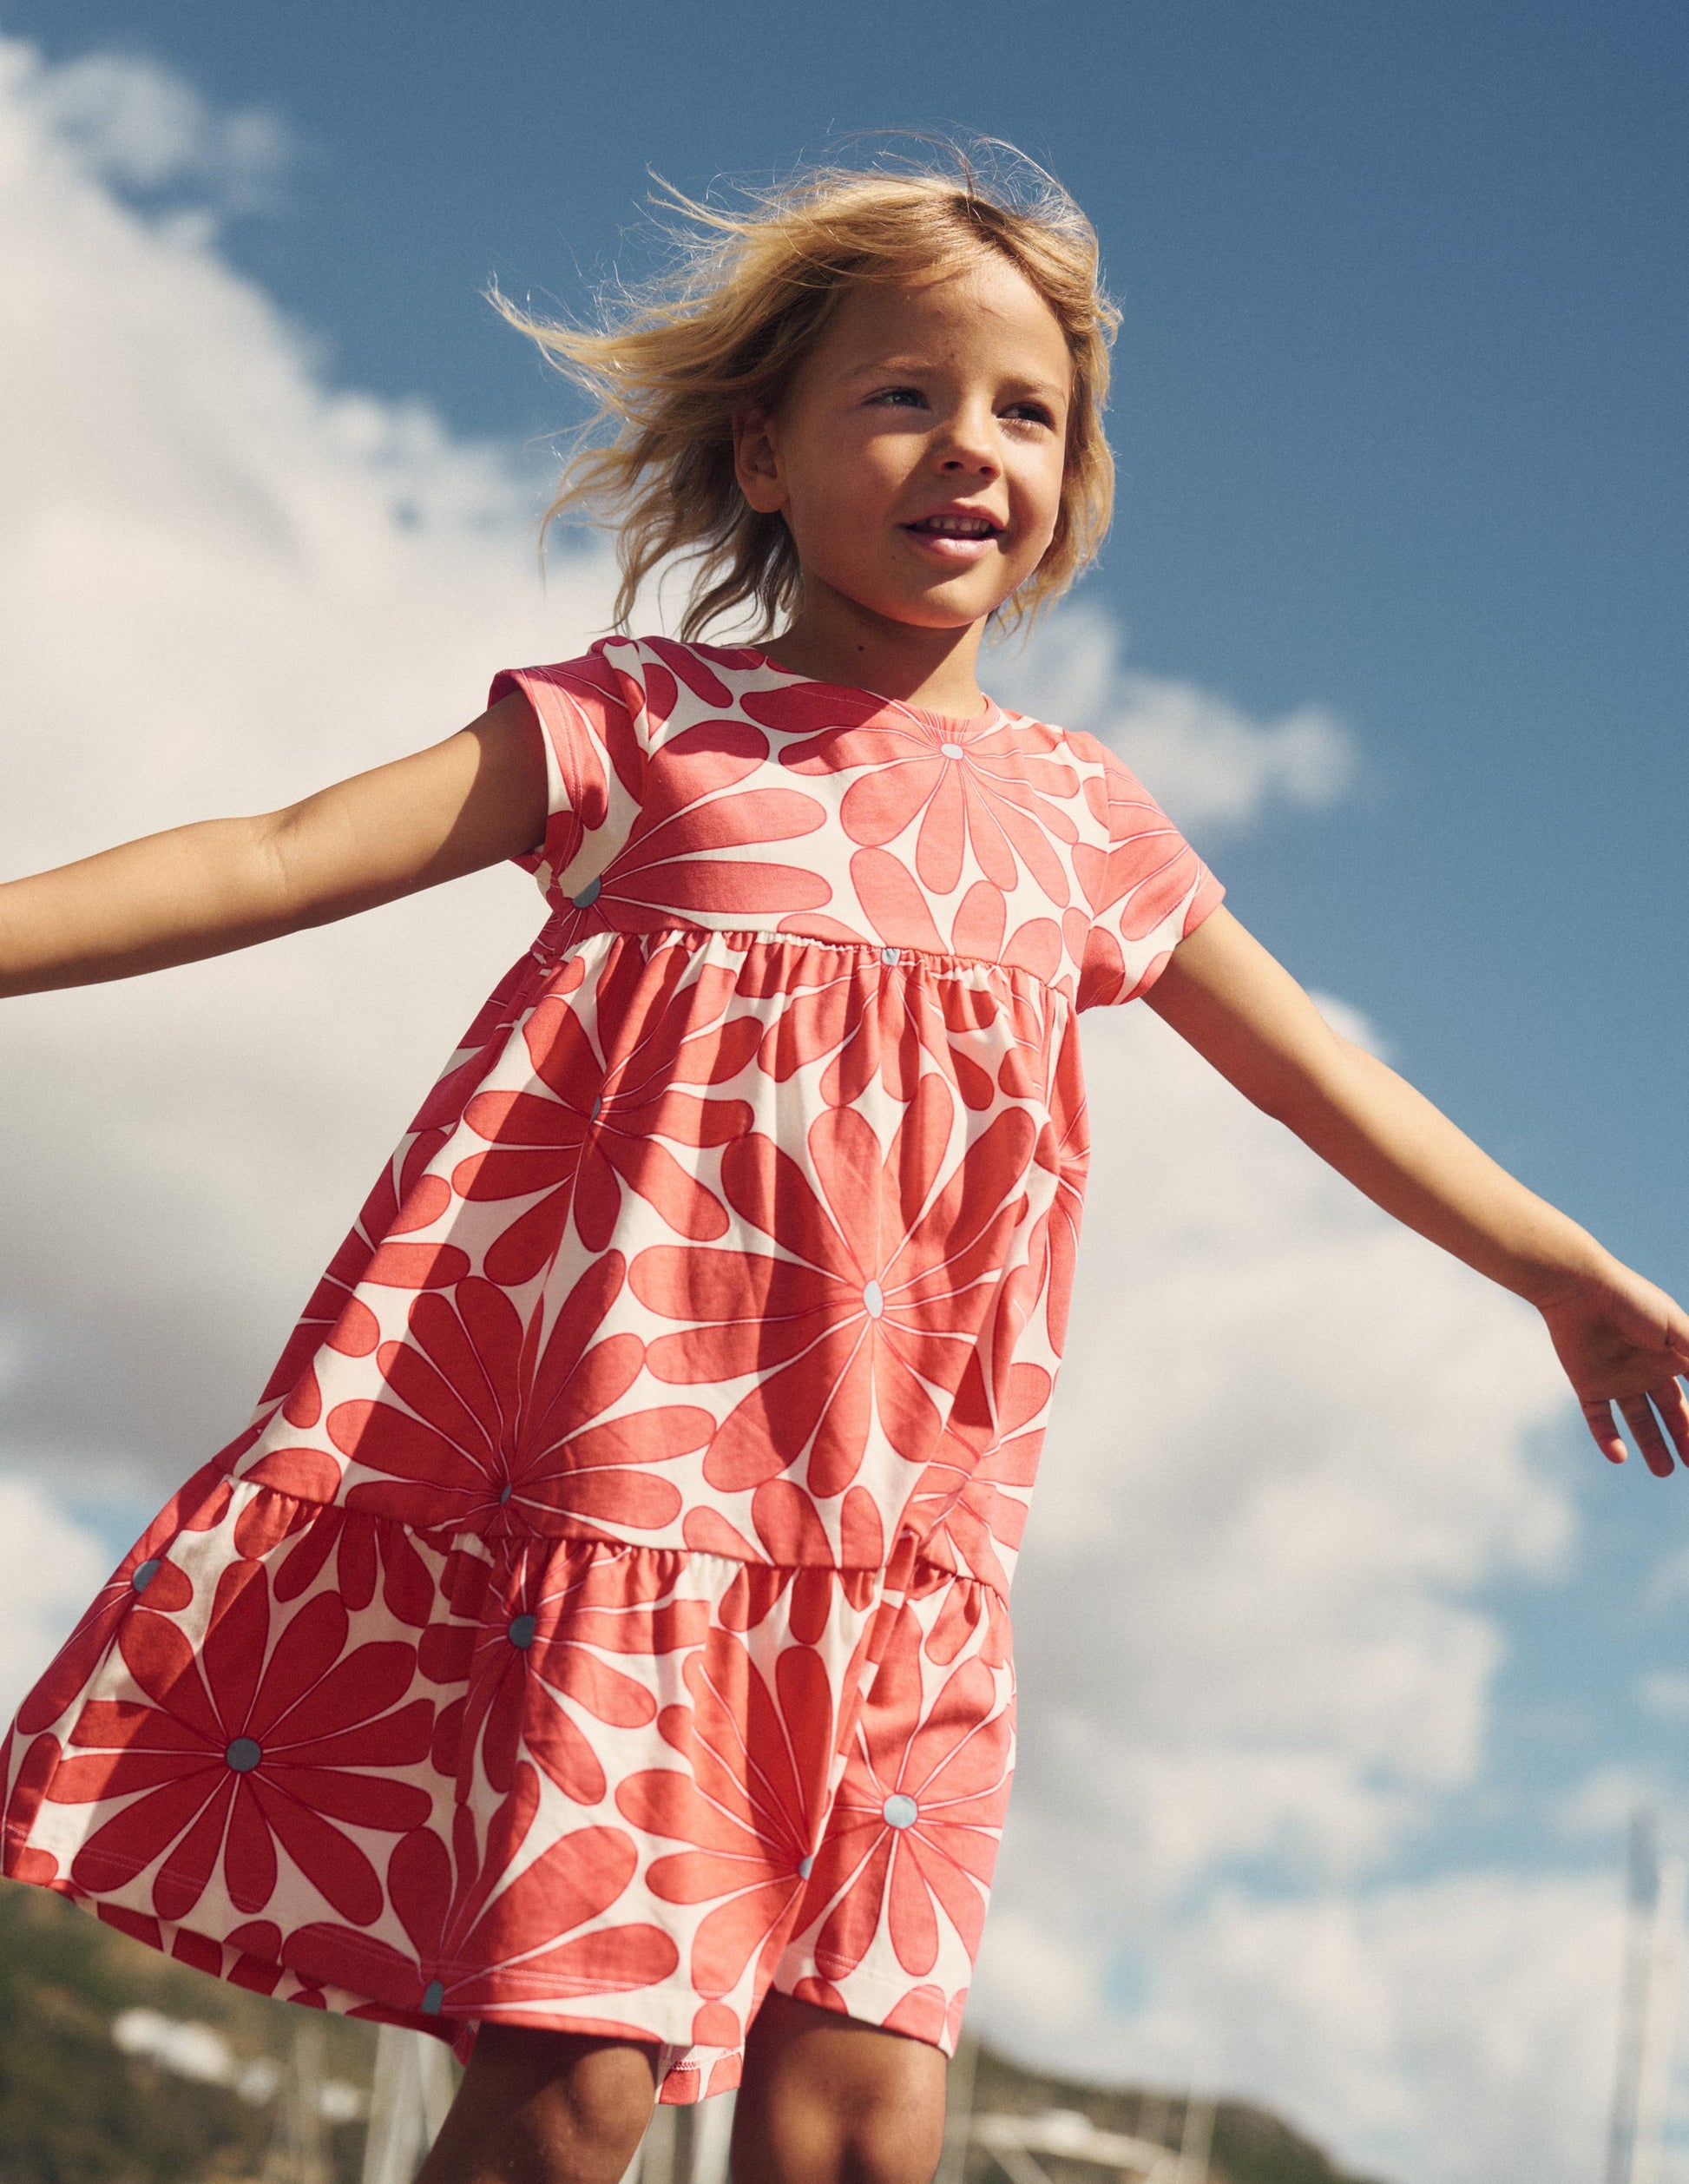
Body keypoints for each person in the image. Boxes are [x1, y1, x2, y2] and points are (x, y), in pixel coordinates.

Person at [1, 151, 1686, 2184]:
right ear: (766, 454)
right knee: (573, 2092)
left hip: (910, 1556)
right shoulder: (650, 724)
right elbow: (275, 853)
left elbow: (1319, 1079)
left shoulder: (1081, 821)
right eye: (902, 394)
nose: (968, 447)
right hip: (639, 1502)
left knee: (865, 2115)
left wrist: (1555, 1267)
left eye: (1024, 410)